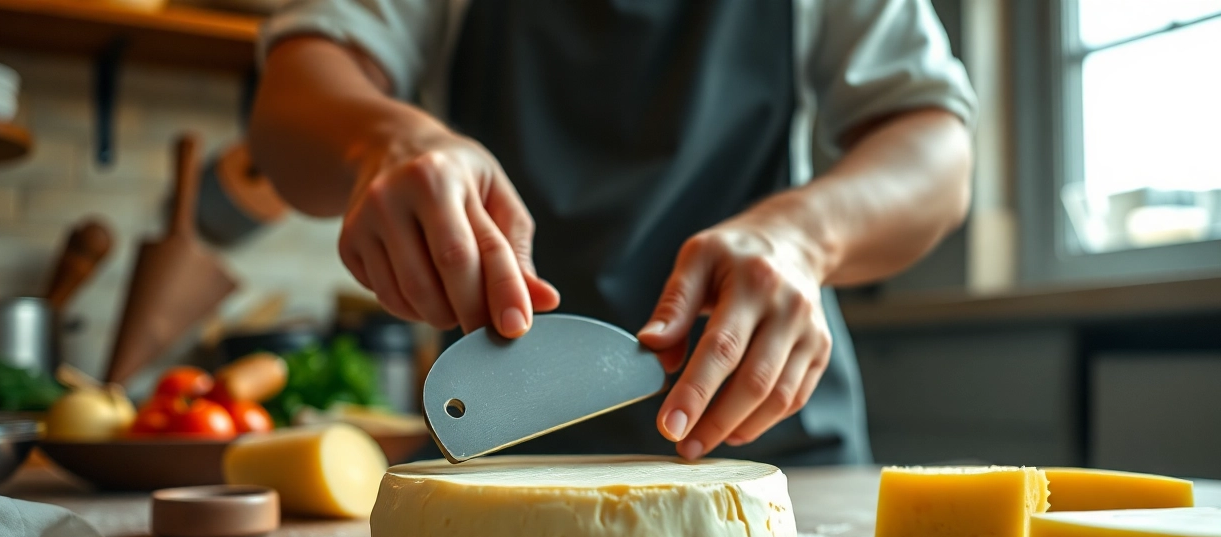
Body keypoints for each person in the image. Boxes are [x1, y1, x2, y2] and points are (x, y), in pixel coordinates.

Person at [250, 0, 975, 465]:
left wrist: (805, 238)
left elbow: (937, 147)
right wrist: (383, 141)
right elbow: (292, 94)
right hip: (501, 463)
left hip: (776, 460)